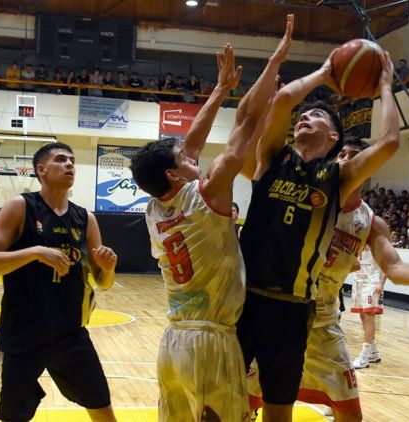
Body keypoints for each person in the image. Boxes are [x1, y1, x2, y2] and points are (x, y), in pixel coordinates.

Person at [129, 19, 290, 421]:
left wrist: (219, 90)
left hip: (173, 342)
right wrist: (274, 63)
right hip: (212, 343)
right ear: (173, 174)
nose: (192, 157)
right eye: (184, 160)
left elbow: (190, 144)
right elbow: (247, 123)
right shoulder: (206, 195)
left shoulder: (154, 208)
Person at [237, 38, 401, 419]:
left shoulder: (337, 178)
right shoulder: (271, 158)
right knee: (226, 406)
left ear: (333, 138)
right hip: (245, 302)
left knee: (278, 412)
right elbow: (282, 101)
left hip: (294, 311)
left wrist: (385, 87)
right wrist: (325, 73)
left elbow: (390, 142)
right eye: (303, 115)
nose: (305, 117)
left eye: (317, 116)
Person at [246, 138, 409, 420]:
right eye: (341, 154)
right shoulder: (303, 195)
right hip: (281, 316)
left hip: (324, 325)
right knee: (245, 404)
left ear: (367, 167)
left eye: (355, 155)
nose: (346, 159)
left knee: (351, 415)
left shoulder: (371, 222)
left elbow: (394, 267)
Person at [0, 142, 118, 422]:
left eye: (72, 160)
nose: (69, 164)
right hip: (22, 332)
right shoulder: (20, 207)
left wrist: (109, 268)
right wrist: (36, 252)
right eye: (61, 159)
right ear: (41, 169)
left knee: (102, 407)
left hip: (71, 333)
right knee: (14, 415)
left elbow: (103, 282)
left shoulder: (86, 218)